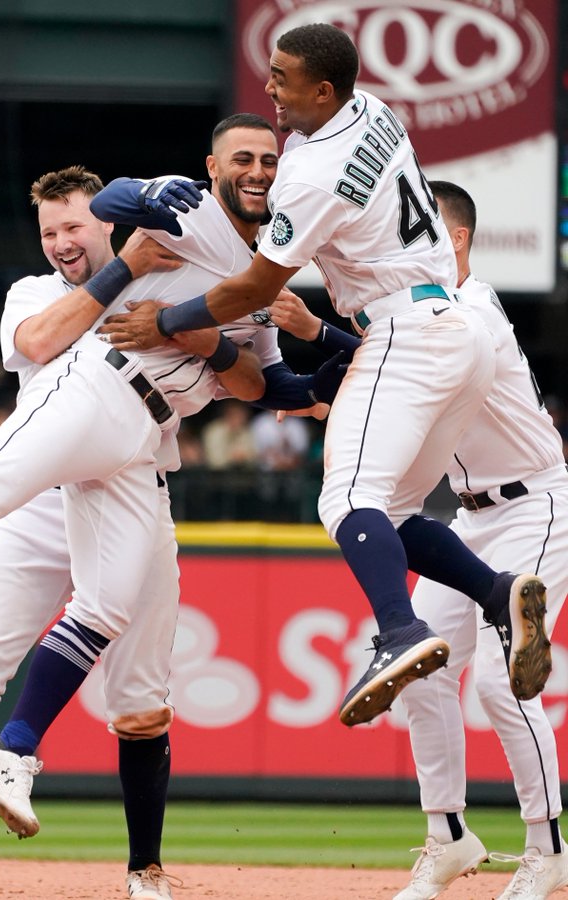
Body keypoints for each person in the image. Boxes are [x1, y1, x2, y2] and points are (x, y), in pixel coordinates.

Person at [0, 116, 329, 900]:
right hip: (53, 474)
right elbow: (42, 341)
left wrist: (324, 353)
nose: (63, 239)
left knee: (136, 682)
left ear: (100, 228)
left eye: (74, 225)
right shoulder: (48, 284)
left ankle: (119, 846)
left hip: (139, 454)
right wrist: (134, 237)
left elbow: (262, 382)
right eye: (51, 229)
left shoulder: (241, 275)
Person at [97, 23, 551, 727]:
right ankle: (498, 595)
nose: (270, 85)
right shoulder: (374, 112)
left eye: (282, 77)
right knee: (392, 513)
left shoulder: (309, 174)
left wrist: (163, 321)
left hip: (406, 332)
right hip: (455, 330)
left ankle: (400, 633)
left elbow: (249, 291)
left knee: (343, 500)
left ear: (324, 90)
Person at [392, 183, 568, 900]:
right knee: (421, 666)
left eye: (412, 232)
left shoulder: (475, 308)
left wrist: (324, 337)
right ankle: (449, 837)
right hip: (469, 517)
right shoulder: (424, 314)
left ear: (453, 240)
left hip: (535, 501)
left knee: (503, 680)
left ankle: (548, 848)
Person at [202, 398, 257, 469]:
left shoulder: (246, 431)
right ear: (227, 413)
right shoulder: (214, 431)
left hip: (243, 474)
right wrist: (232, 457)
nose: (239, 418)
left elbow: (255, 458)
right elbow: (214, 460)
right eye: (235, 413)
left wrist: (244, 457)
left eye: (241, 414)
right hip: (217, 476)